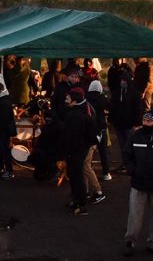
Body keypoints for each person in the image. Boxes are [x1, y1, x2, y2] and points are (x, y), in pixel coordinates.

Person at [123, 110, 153, 257]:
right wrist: (132, 170)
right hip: (139, 183)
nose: (145, 124)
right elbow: (127, 154)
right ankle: (130, 242)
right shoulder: (135, 136)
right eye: (144, 121)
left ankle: (152, 243)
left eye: (149, 122)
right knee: (135, 215)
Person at [62, 87, 99, 215]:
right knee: (73, 176)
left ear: (74, 100)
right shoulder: (80, 111)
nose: (66, 99)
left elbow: (72, 135)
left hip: (76, 151)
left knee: (77, 177)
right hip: (78, 150)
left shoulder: (75, 115)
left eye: (68, 97)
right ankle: (76, 200)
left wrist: (68, 149)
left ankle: (82, 204)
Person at [86, 80, 112, 181]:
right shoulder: (101, 98)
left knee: (88, 153)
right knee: (103, 152)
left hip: (89, 128)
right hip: (101, 128)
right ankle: (106, 173)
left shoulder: (86, 97)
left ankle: (88, 171)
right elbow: (110, 107)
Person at [0, 82, 16, 179]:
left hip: (3, 131)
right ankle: (0, 168)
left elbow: (4, 119)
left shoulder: (4, 101)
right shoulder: (0, 100)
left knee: (5, 151)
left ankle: (9, 171)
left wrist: (0, 129)